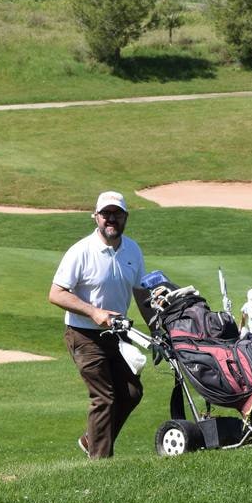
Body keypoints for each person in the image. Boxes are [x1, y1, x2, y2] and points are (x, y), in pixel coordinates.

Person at [49, 190, 150, 460]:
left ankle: (91, 439)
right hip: (83, 334)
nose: (111, 219)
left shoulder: (133, 250)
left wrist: (156, 328)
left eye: (117, 213)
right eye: (105, 214)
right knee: (105, 397)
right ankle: (100, 464)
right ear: (95, 217)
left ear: (126, 217)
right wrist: (93, 312)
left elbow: (141, 293)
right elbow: (56, 293)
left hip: (117, 335)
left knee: (130, 392)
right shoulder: (81, 251)